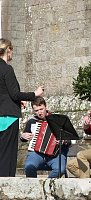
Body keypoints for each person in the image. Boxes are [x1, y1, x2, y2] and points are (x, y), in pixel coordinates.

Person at [0, 38, 44, 177]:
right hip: (8, 117)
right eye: (12, 50)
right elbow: (14, 93)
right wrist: (34, 94)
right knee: (8, 154)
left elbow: (4, 93)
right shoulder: (7, 69)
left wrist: (18, 102)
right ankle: (6, 186)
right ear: (8, 50)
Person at [20, 97, 70, 178]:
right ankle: (34, 187)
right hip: (37, 153)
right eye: (36, 110)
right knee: (29, 166)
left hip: (56, 154)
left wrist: (63, 141)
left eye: (41, 109)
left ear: (46, 107)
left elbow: (69, 140)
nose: (39, 112)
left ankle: (46, 187)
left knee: (59, 169)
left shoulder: (58, 120)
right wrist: (23, 136)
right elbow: (24, 138)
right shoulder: (32, 122)